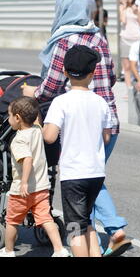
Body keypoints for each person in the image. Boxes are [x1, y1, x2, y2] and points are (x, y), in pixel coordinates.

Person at [21, 0, 130, 257]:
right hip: (107, 120)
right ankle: (104, 241)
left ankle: (115, 229)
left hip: (74, 138)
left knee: (74, 219)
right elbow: (112, 77)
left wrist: (28, 94)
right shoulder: (99, 37)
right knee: (93, 182)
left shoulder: (63, 41)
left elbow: (49, 89)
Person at [42, 45, 111, 257]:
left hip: (73, 174)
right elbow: (106, 137)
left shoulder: (61, 102)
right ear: (92, 74)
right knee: (85, 221)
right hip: (96, 172)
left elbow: (49, 136)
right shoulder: (101, 102)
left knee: (74, 228)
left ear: (64, 72)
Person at [0, 97, 70, 258]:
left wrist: (24, 182)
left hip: (22, 191)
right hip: (41, 187)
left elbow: (27, 160)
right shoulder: (37, 130)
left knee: (12, 221)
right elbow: (37, 119)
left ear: (17, 118)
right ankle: (60, 249)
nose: (8, 119)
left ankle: (8, 250)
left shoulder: (18, 140)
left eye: (9, 116)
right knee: (45, 219)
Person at [119, 0, 140, 88]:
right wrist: (123, 7)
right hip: (125, 38)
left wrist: (137, 12)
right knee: (126, 66)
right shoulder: (122, 7)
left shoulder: (139, 7)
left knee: (136, 64)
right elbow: (123, 20)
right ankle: (129, 88)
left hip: (136, 38)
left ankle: (139, 85)